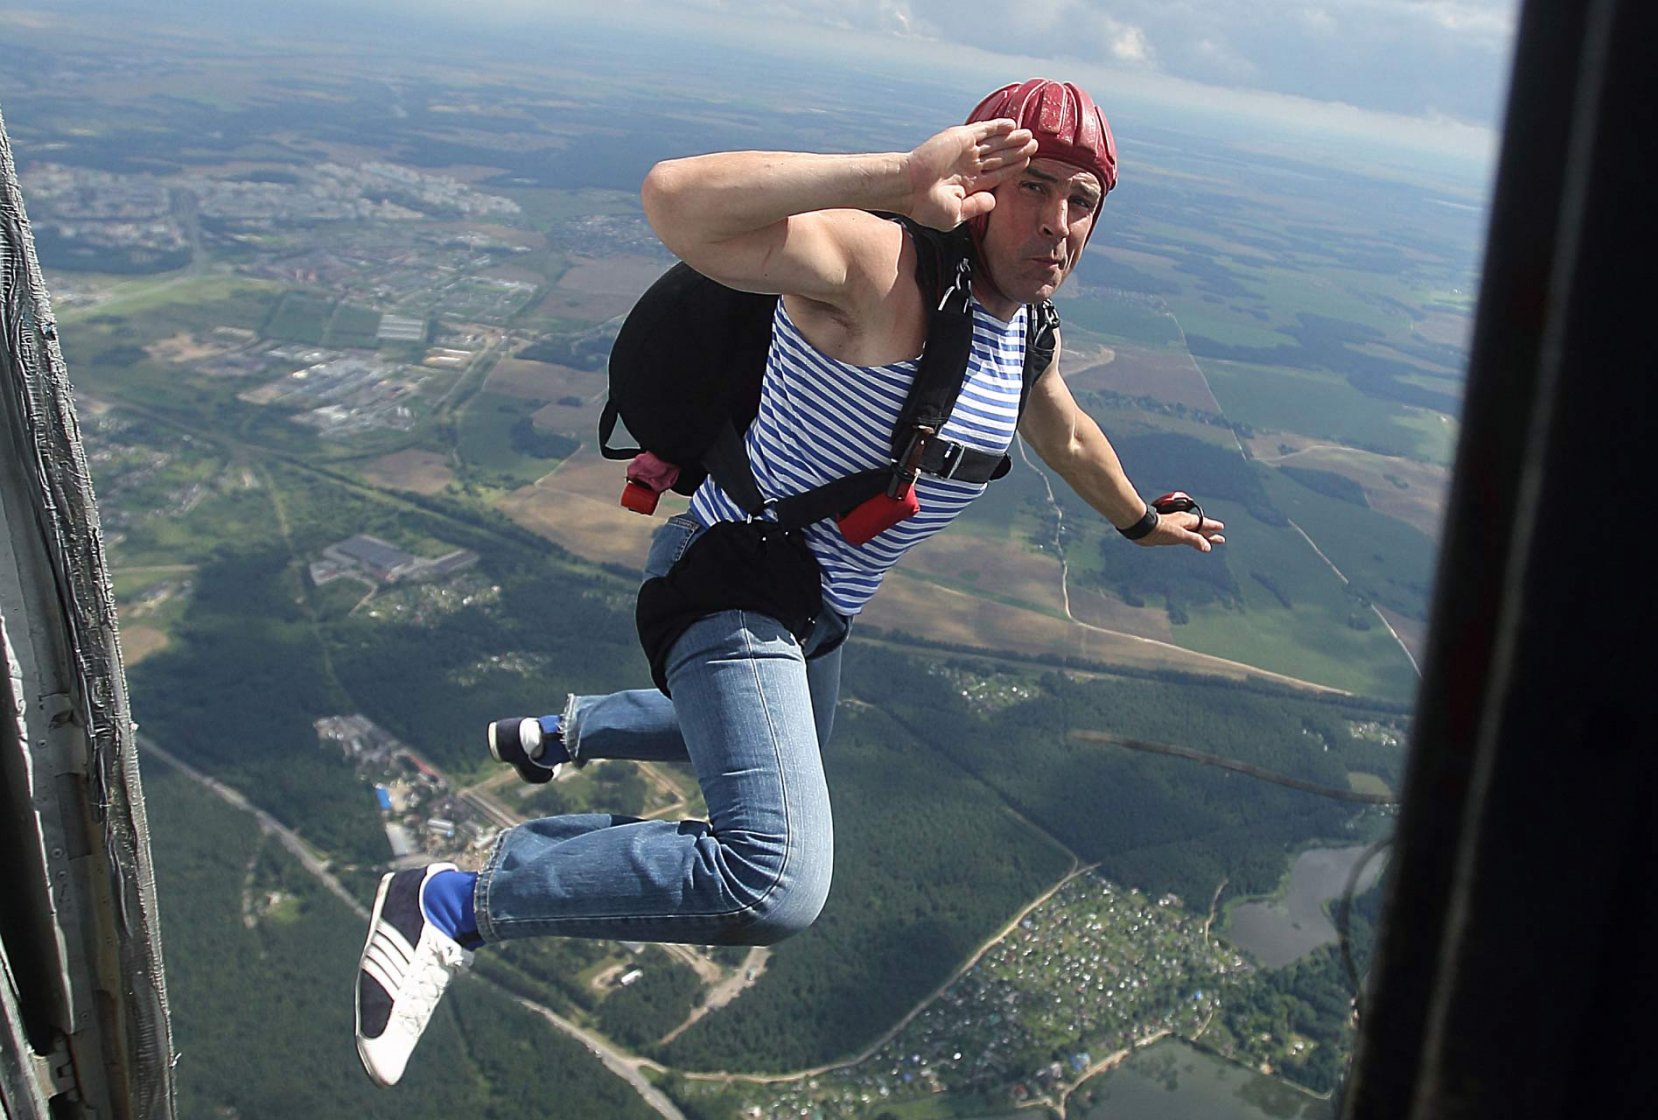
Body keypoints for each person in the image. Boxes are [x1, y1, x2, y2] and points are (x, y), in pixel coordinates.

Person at [353, 78, 1225, 1087]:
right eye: (1036, 186)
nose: (1060, 223)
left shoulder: (1021, 332)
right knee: (773, 880)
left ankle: (563, 733)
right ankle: (449, 900)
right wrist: (901, 179)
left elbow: (1063, 431)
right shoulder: (881, 267)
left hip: (810, 614)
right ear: (980, 181)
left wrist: (1139, 522)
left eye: (1085, 202)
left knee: (783, 747)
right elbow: (675, 199)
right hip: (732, 582)